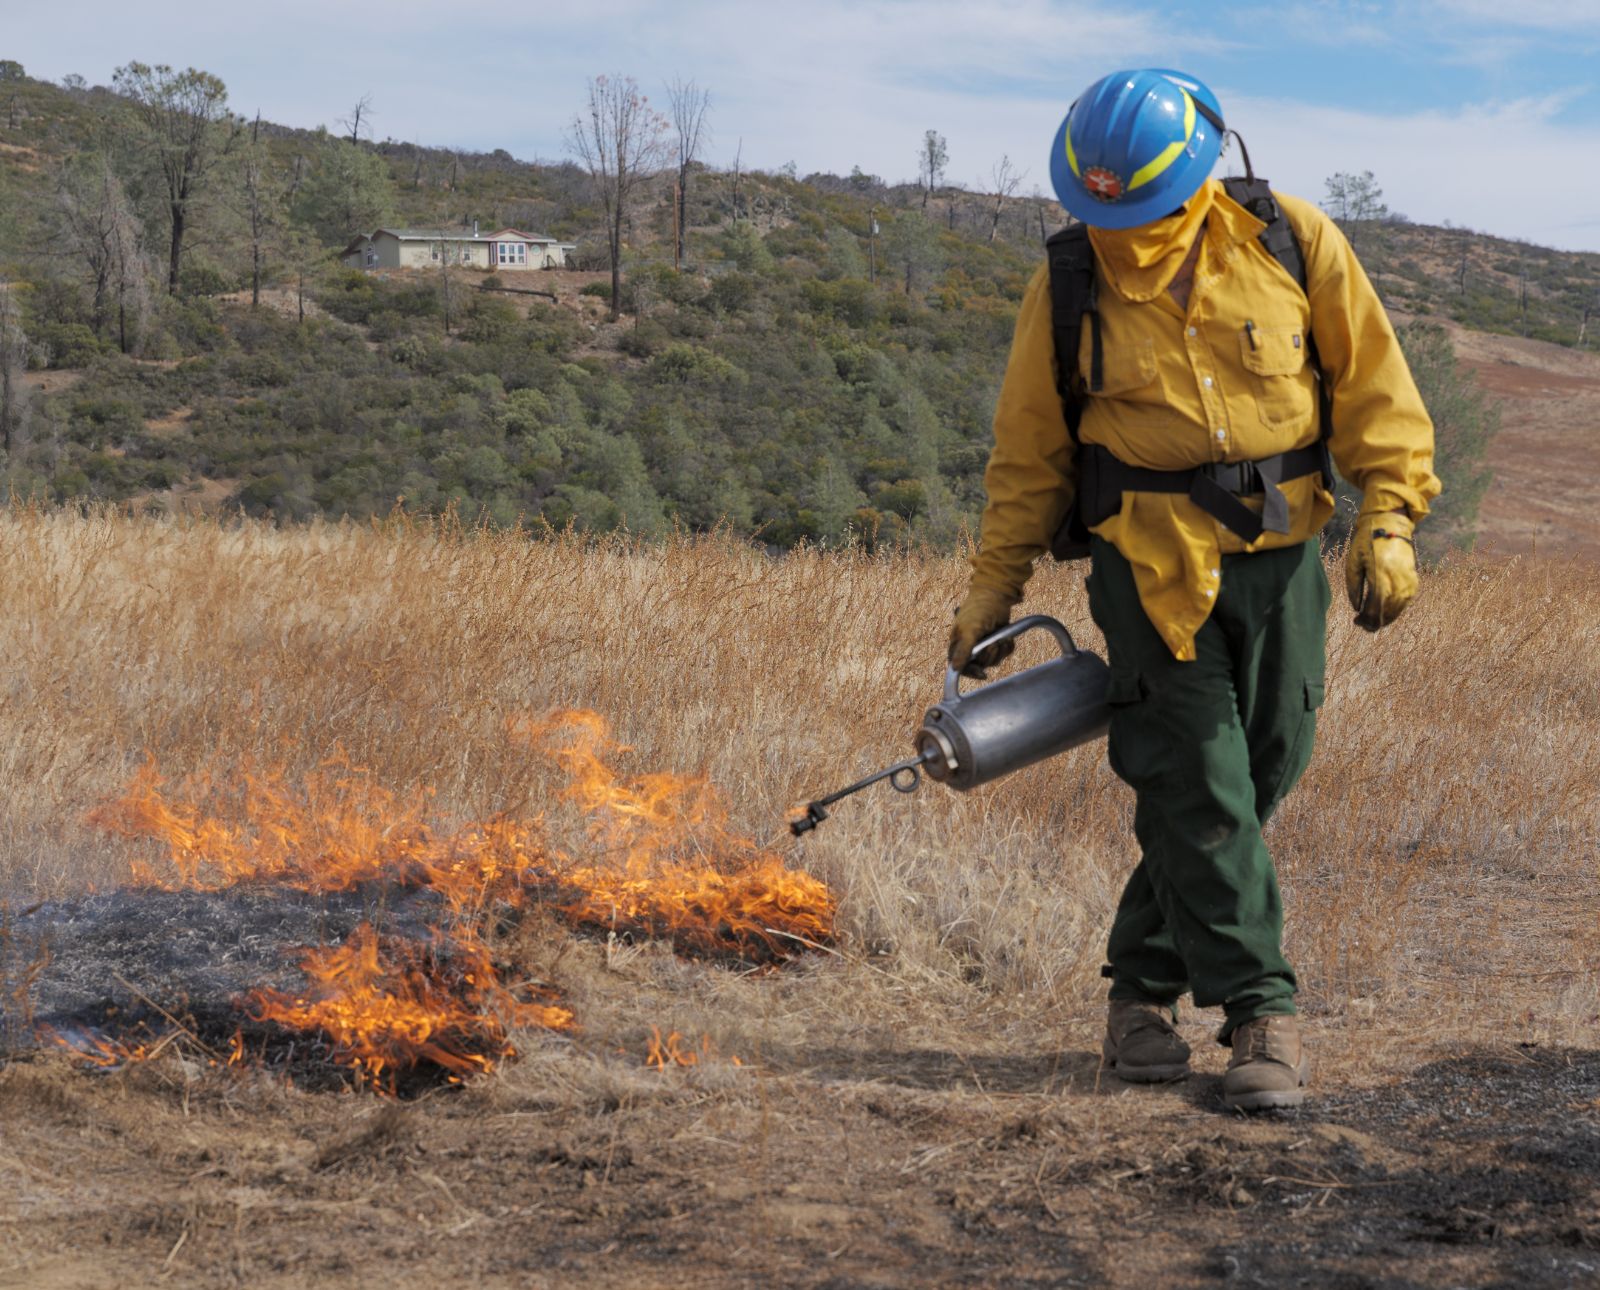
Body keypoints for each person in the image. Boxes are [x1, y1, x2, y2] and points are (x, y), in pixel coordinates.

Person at [949, 69, 1440, 1111]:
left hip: (1279, 559)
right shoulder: (1070, 282)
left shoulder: (1289, 241)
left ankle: (1137, 994)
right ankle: (1258, 1015)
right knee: (1197, 784)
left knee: (1262, 764)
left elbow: (1375, 393)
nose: (1123, 231)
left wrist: (1389, 519)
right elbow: (1028, 451)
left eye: (1141, 208)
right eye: (1101, 211)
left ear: (1202, 175)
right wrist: (992, 587)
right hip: (1148, 568)